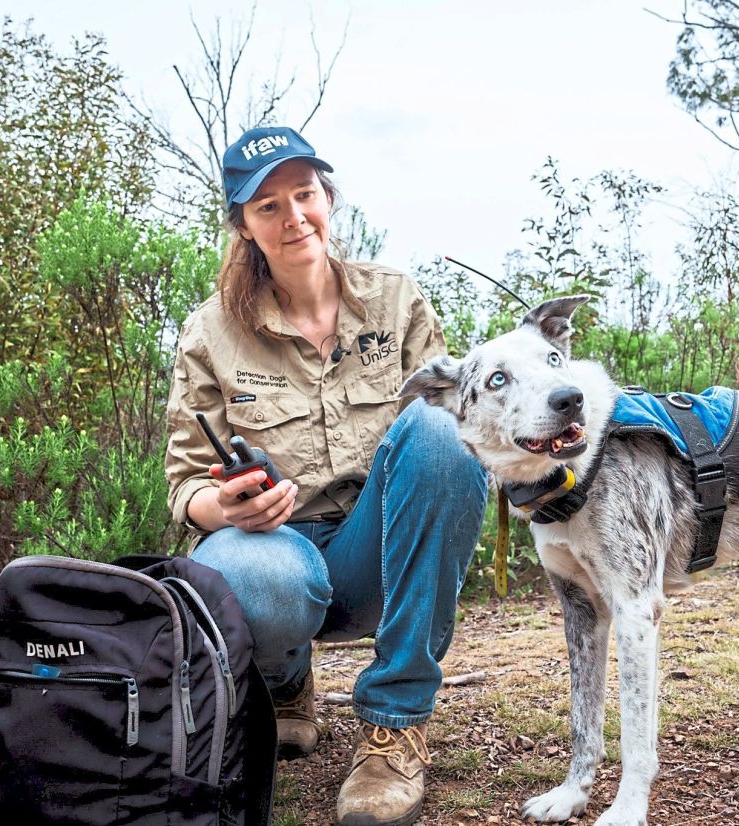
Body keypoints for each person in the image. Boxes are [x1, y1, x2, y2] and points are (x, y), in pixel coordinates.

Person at [164, 125, 489, 825]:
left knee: (444, 426)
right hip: (276, 552)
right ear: (244, 226)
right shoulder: (208, 333)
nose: (293, 217)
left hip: (379, 554)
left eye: (304, 194)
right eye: (268, 206)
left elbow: (452, 449)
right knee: (253, 575)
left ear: (328, 198)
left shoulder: (397, 300)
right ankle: (283, 686)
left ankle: (395, 726)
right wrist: (225, 508)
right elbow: (185, 485)